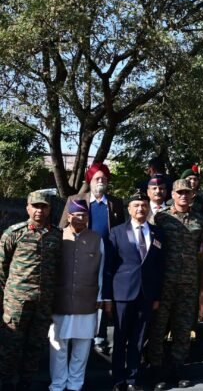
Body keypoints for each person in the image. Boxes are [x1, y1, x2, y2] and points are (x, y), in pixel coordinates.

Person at [60, 162, 126, 355]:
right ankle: (76, 335)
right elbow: (63, 226)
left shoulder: (115, 203)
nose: (101, 182)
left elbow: (120, 230)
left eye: (104, 179)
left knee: (103, 294)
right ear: (89, 181)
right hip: (81, 254)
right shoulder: (76, 199)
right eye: (97, 178)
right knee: (80, 293)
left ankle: (100, 337)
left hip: (107, 256)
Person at [102, 190, 164, 391]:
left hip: (146, 295)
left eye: (143, 205)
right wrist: (108, 297)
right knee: (120, 338)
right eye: (136, 205)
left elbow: (159, 267)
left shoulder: (157, 232)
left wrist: (157, 296)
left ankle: (132, 379)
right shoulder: (117, 232)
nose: (140, 208)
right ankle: (118, 379)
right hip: (123, 294)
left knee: (138, 339)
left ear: (148, 208)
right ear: (129, 209)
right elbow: (109, 267)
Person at [147, 179, 203, 390]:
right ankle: (156, 370)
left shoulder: (199, 219)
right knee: (159, 327)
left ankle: (177, 369)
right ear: (172, 194)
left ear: (192, 195)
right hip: (165, 282)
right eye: (179, 192)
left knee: (182, 329)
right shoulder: (161, 218)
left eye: (187, 193)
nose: (183, 196)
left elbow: (201, 252)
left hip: (188, 283)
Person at [0, 191, 62, 390]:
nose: (39, 210)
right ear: (27, 207)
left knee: (36, 346)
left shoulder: (57, 235)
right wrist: (6, 297)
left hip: (43, 302)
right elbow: (2, 267)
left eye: (43, 206)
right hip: (17, 301)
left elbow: (60, 268)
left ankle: (26, 383)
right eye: (35, 206)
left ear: (49, 209)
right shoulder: (14, 233)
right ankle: (6, 383)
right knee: (11, 344)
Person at [49, 200, 103, 391]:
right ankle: (57, 384)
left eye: (85, 215)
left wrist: (101, 297)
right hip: (61, 299)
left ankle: (75, 384)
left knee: (82, 347)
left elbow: (102, 271)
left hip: (87, 300)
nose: (81, 218)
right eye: (77, 215)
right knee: (58, 346)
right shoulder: (57, 237)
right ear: (69, 216)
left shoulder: (97, 239)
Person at [181, 164, 203, 322]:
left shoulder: (202, 202)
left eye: (194, 179)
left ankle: (201, 313)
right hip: (179, 248)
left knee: (200, 281)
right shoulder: (175, 200)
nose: (192, 182)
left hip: (198, 246)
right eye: (189, 179)